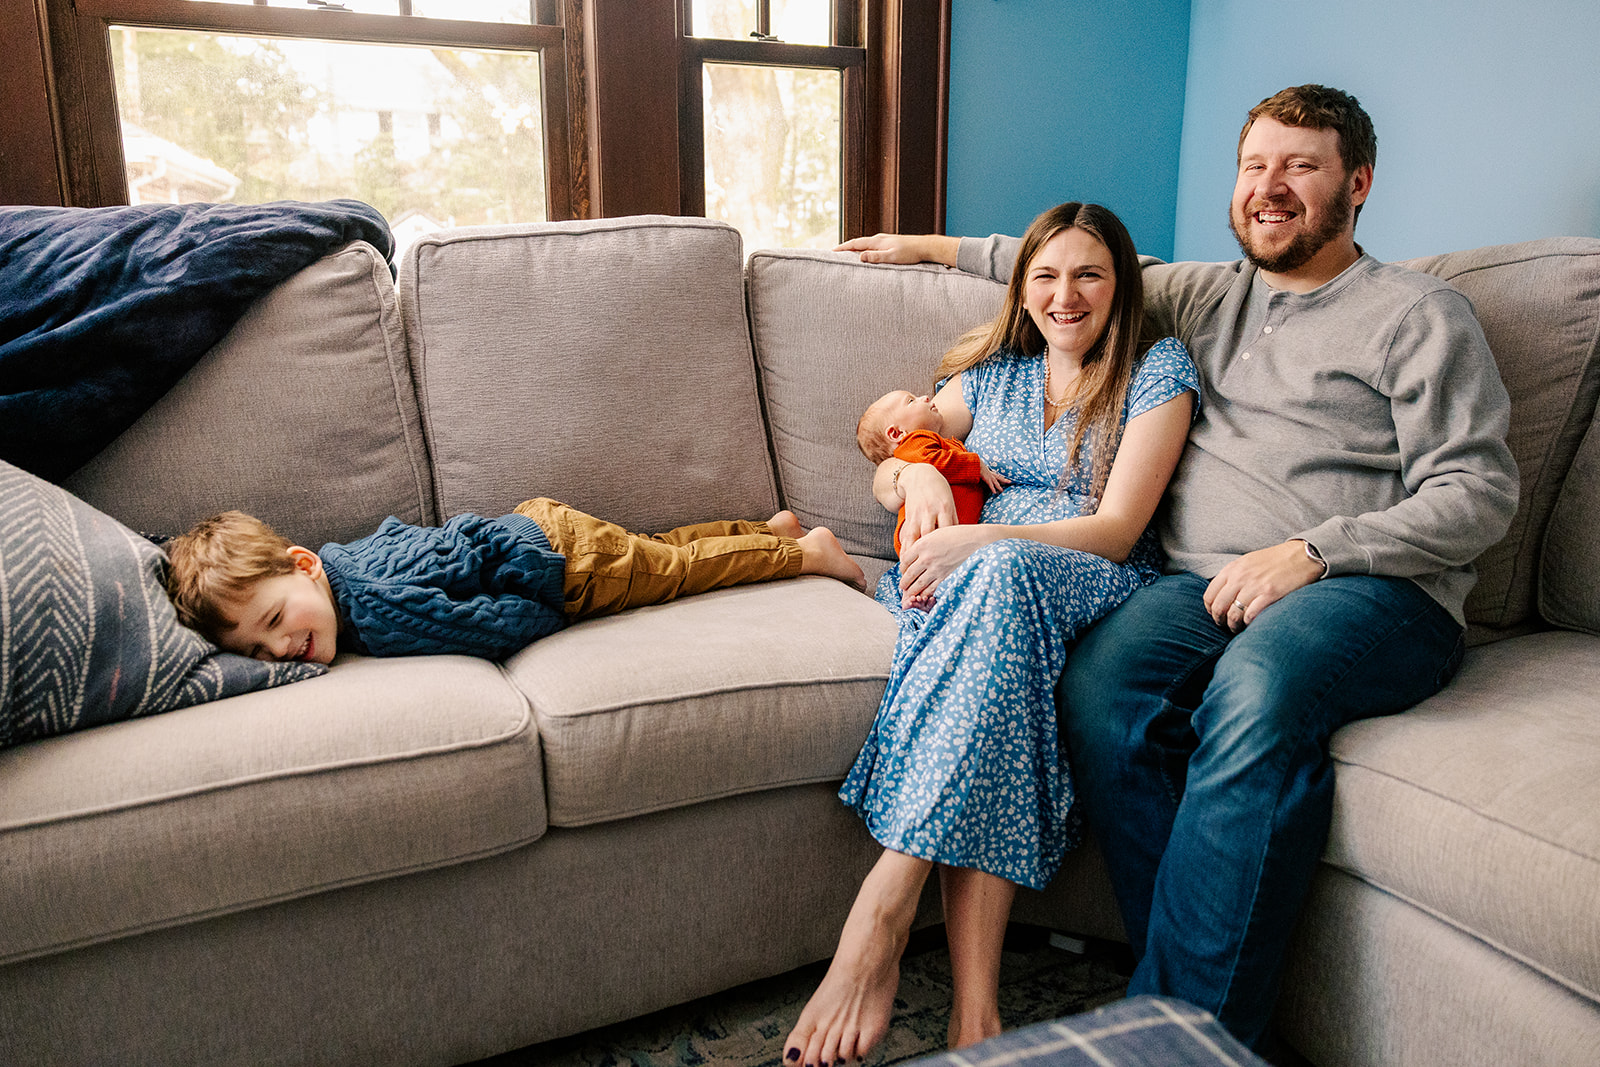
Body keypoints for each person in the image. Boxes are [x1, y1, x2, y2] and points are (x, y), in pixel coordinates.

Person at [836, 84, 1520, 1051]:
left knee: (1251, 696)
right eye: (1254, 167)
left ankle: (1175, 1034)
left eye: (1301, 167)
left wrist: (1315, 551)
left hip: (1368, 589)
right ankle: (1187, 999)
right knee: (1102, 694)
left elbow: (1480, 493)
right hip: (1196, 584)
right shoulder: (1205, 293)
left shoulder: (1418, 314)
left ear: (1358, 183)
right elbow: (1067, 266)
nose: (1270, 189)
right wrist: (929, 247)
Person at [783, 202, 1198, 1067]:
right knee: (994, 662)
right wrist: (907, 481)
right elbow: (897, 445)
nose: (1065, 294)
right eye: (1045, 276)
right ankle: (976, 1014)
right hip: (977, 584)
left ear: (1121, 284)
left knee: (998, 583)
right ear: (1021, 289)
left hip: (1089, 575)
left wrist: (980, 536)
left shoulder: (1158, 370)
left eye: (1089, 273)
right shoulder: (990, 379)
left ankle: (882, 910)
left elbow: (1120, 528)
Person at [164, 500, 865, 663]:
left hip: (556, 567)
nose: (281, 648)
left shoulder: (372, 611)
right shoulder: (344, 560)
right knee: (652, 552)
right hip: (535, 527)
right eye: (258, 650)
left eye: (274, 621)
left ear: (303, 565)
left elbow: (488, 627)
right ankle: (763, 529)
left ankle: (807, 555)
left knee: (674, 574)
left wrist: (551, 616)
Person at [856, 388, 1009, 605]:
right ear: (896, 433)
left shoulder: (937, 441)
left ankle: (918, 600)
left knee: (930, 572)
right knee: (922, 564)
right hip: (921, 529)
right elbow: (933, 462)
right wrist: (976, 465)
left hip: (942, 535)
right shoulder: (917, 441)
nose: (925, 398)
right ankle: (910, 595)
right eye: (911, 401)